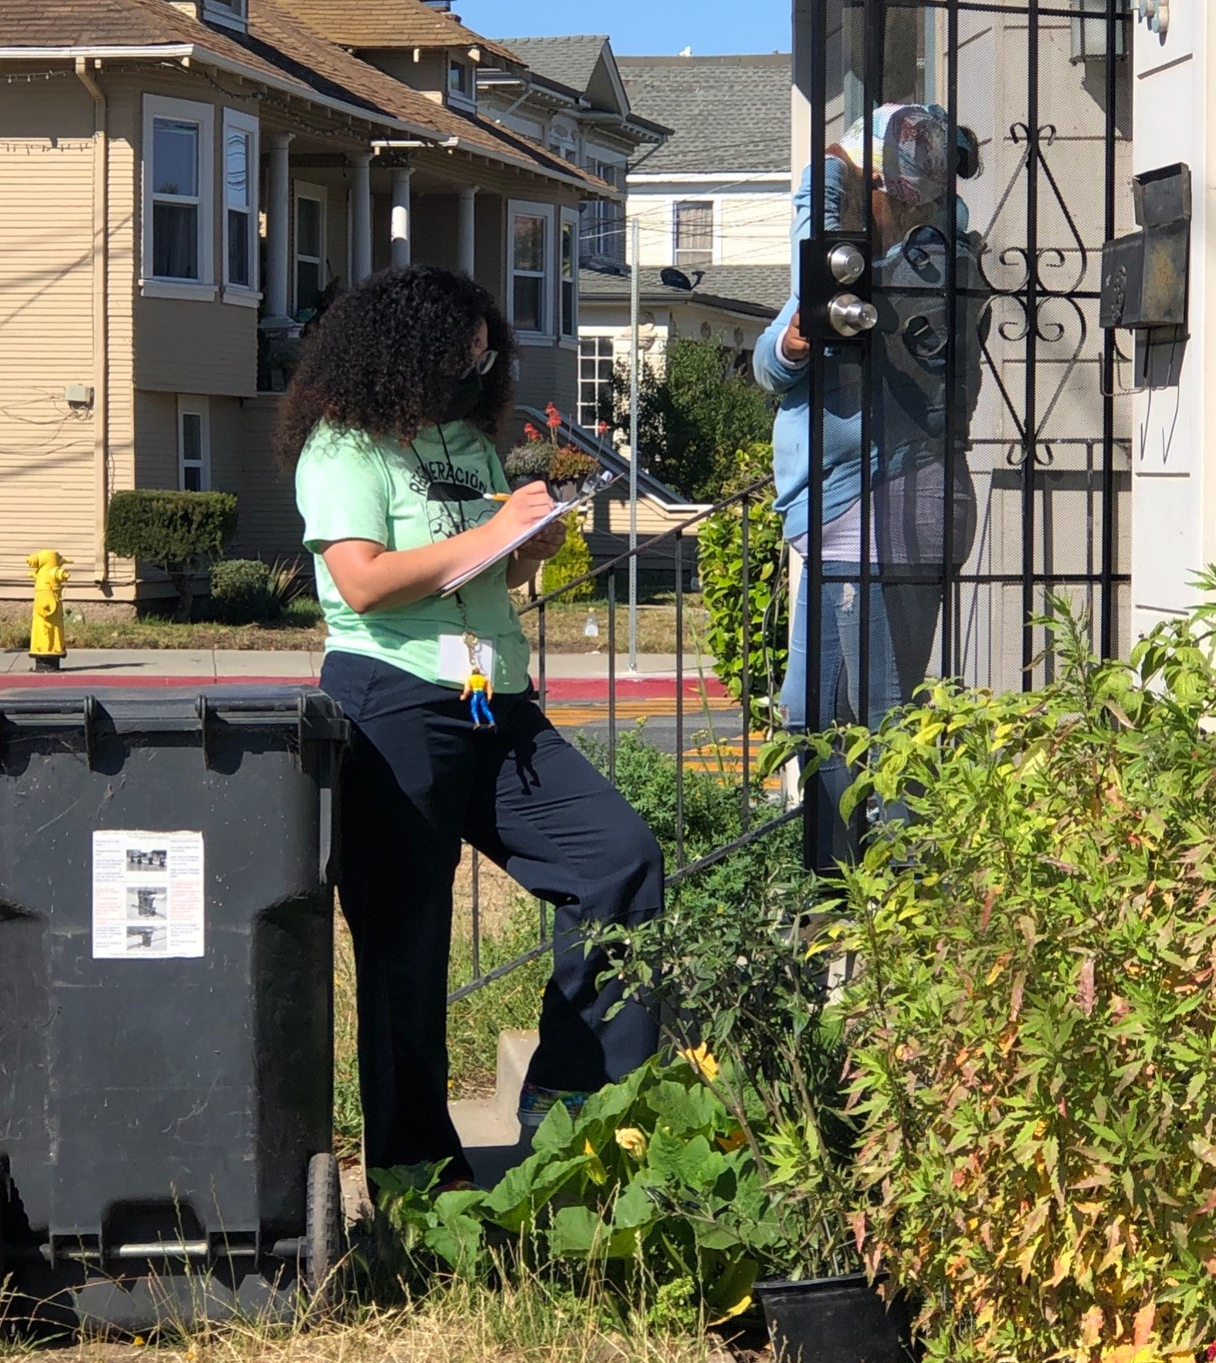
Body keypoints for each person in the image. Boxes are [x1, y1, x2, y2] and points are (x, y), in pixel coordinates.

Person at [279, 265, 664, 1188]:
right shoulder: (343, 447)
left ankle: (575, 1107)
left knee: (618, 860)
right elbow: (364, 580)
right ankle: (418, 1176)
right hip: (389, 698)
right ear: (401, 350)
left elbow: (480, 570)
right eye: (459, 350)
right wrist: (492, 538)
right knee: (406, 942)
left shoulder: (469, 443)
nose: (476, 364)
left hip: (491, 696)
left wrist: (531, 549)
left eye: (485, 350)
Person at [756, 103, 983, 860]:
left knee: (889, 721)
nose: (841, 192)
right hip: (833, 504)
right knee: (810, 710)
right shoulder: (864, 265)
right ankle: (830, 893)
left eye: (855, 180)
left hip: (892, 495)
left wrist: (822, 193)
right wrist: (789, 344)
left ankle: (907, 909)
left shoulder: (929, 260)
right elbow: (772, 356)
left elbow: (819, 293)